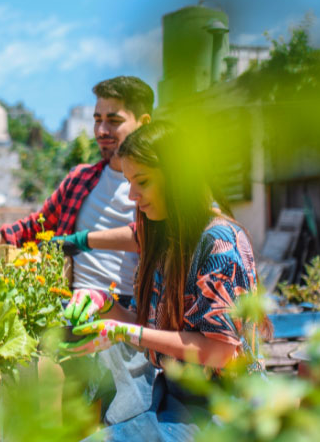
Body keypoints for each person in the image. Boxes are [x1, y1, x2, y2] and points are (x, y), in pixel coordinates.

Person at [61, 122, 264, 442]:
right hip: (176, 400)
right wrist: (105, 303)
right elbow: (155, 331)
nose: (131, 195)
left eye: (142, 181)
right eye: (129, 182)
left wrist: (122, 330)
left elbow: (220, 352)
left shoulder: (219, 241)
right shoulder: (165, 236)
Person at [0, 75, 152, 302]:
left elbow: (151, 234)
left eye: (114, 120)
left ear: (144, 122)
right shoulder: (80, 180)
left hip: (132, 311)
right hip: (70, 303)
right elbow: (30, 229)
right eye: (97, 119)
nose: (101, 131)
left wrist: (80, 240)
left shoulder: (159, 183)